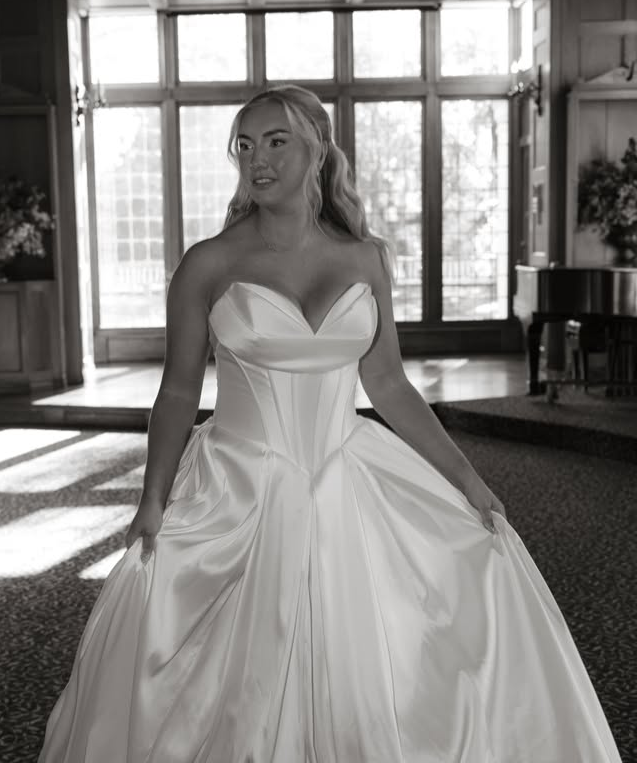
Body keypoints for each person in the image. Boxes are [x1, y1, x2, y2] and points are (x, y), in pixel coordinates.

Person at [39, 85, 623, 762]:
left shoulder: (366, 258)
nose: (256, 159)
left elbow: (388, 384)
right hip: (240, 484)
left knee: (408, 642)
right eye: (245, 145)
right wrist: (152, 498)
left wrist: (468, 481)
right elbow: (176, 391)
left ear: (318, 148)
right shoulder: (210, 262)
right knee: (227, 679)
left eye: (275, 141)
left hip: (350, 475)